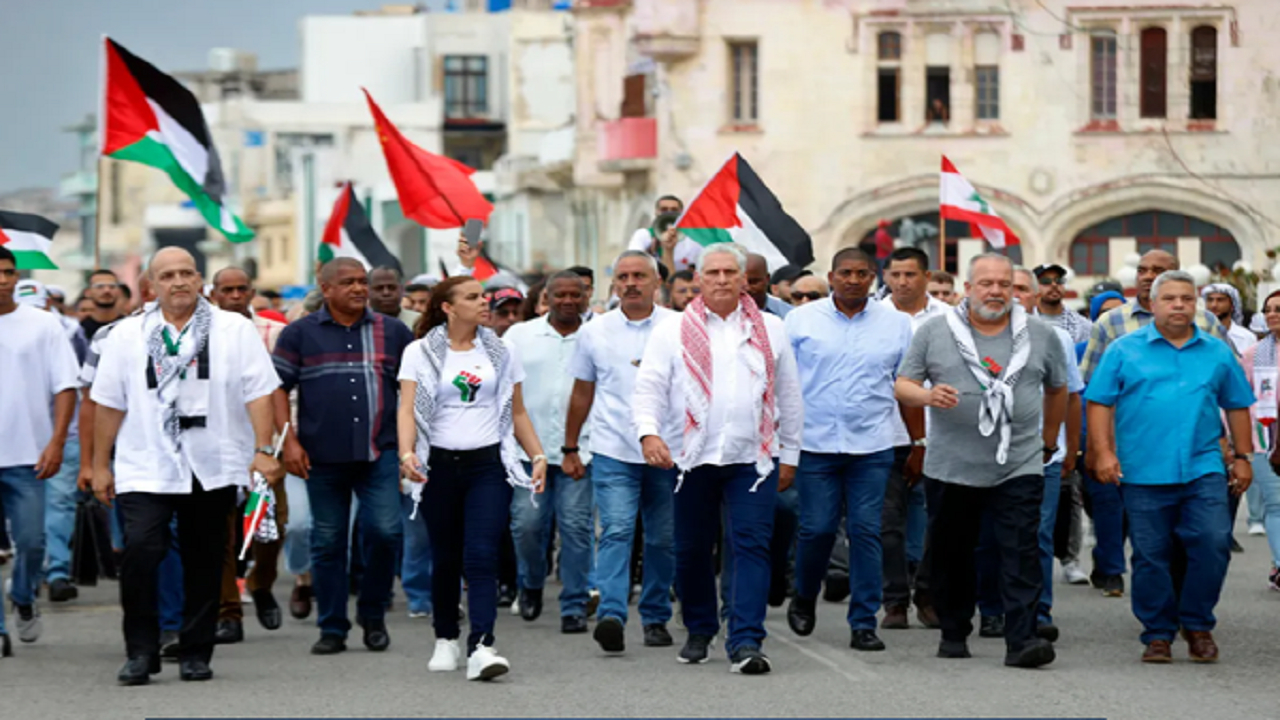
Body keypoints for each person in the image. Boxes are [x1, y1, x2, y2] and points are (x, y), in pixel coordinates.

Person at [89, 247, 282, 685]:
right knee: (141, 550)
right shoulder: (126, 335)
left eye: (186, 273)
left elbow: (259, 391)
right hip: (146, 460)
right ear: (151, 286)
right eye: (167, 275)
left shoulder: (234, 329)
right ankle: (141, 650)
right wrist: (100, 465)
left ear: (200, 281)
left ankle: (196, 651)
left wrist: (263, 448)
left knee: (205, 559)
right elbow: (107, 403)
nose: (178, 282)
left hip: (212, 459)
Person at [633, 243, 803, 675]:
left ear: (744, 279)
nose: (723, 279)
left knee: (751, 547)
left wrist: (791, 454)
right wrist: (648, 433)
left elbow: (789, 395)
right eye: (714, 273)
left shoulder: (770, 328)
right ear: (699, 279)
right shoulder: (672, 330)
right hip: (691, 458)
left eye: (731, 272)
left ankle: (746, 640)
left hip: (754, 457)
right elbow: (649, 386)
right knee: (691, 551)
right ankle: (700, 628)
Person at [895, 253, 1068, 669]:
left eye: (1004, 285)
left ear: (1015, 290)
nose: (995, 291)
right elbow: (903, 384)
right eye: (986, 283)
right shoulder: (936, 331)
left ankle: (1022, 639)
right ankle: (954, 630)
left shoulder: (1040, 335)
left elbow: (1058, 388)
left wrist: (1048, 441)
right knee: (953, 553)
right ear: (967, 289)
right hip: (952, 465)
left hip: (1019, 462)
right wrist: (927, 396)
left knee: (1020, 550)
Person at [1087, 269, 1254, 664]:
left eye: (1186, 299)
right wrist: (1103, 453)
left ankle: (1197, 624)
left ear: (1194, 305)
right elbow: (1099, 402)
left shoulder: (1215, 351)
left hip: (1203, 468)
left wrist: (1244, 457)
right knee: (1150, 553)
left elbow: (1237, 404)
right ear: (1153, 304)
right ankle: (1158, 633)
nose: (1179, 305)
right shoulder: (1124, 349)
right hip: (1142, 471)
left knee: (1213, 542)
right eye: (1170, 299)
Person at [396, 276, 547, 680]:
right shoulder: (419, 353)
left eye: (484, 295)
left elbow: (516, 411)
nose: (484, 302)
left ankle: (481, 644)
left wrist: (537, 454)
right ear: (447, 307)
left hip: (488, 466)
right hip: (437, 466)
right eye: (473, 297)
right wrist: (407, 453)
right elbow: (407, 409)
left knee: (481, 554)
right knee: (445, 556)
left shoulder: (501, 350)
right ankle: (445, 637)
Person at [271, 258, 414, 656]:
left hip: (379, 452)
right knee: (328, 540)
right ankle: (332, 626)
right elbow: (277, 388)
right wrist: (289, 443)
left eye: (361, 282)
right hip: (321, 456)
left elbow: (412, 392)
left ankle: (372, 614)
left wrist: (409, 447)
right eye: (347, 282)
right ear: (326, 288)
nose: (358, 288)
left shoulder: (394, 332)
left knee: (386, 532)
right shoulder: (299, 334)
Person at [784, 248, 913, 653]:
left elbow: (906, 383)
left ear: (874, 277)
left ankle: (863, 622)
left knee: (865, 531)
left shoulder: (896, 324)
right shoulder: (802, 320)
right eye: (845, 273)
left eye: (862, 273)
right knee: (817, 528)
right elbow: (783, 382)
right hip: (815, 443)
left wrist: (918, 439)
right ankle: (804, 595)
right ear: (831, 276)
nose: (854, 280)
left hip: (873, 443)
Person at [564, 251, 678, 654]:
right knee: (615, 530)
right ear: (614, 285)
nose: (631, 283)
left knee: (663, 539)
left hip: (669, 450)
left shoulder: (679, 326)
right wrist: (570, 446)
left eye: (639, 276)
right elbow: (582, 392)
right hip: (614, 448)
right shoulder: (595, 331)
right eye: (623, 276)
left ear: (656, 282)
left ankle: (655, 616)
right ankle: (612, 614)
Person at [502, 272, 595, 632]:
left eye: (576, 294)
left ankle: (573, 603)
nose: (568, 301)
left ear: (587, 297)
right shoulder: (520, 336)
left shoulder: (595, 336)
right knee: (526, 525)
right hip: (529, 452)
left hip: (581, 452)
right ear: (546, 298)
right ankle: (531, 583)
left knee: (575, 528)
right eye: (560, 295)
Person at [0, 249, 79, 657]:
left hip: (27, 455)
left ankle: (25, 594)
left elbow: (66, 386)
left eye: (9, 272)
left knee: (31, 541)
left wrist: (57, 440)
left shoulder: (43, 325)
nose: (3, 279)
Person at [209, 267, 291, 637]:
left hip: (266, 445)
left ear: (252, 291)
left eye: (242, 289)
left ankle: (260, 583)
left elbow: (281, 389)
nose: (236, 295)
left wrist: (284, 442)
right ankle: (228, 612)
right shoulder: (202, 333)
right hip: (218, 445)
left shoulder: (275, 333)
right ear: (214, 294)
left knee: (272, 528)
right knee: (221, 533)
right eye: (228, 289)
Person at [1010, 266, 1084, 641]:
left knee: (1037, 533)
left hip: (1043, 455)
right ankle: (993, 608)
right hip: (985, 455)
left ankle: (1038, 611)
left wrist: (1068, 447)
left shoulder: (1056, 338)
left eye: (1022, 289)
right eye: (1007, 287)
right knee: (993, 535)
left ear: (1035, 296)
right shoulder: (965, 336)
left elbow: (1070, 396)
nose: (1013, 295)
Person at [878, 247, 949, 630]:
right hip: (885, 434)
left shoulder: (949, 318)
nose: (903, 282)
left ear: (926, 276)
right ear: (886, 276)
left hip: (939, 434)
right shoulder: (875, 317)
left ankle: (927, 593)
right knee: (888, 524)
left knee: (933, 521)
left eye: (911, 275)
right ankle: (894, 600)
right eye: (896, 274)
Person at [15, 280, 88, 604]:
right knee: (27, 527)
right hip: (14, 447)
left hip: (60, 439)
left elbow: (76, 386)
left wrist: (65, 440)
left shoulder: (64, 332)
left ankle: (55, 572)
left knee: (55, 509)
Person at [1080, 250, 1229, 383]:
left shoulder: (1205, 321)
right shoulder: (1110, 322)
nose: (1148, 277)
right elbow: (1093, 380)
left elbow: (1227, 374)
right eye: (1141, 271)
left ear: (1175, 276)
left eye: (1158, 271)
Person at [1242, 289, 1280, 589]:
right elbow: (1242, 397)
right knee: (1276, 505)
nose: (1272, 314)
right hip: (1267, 440)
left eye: (1278, 309)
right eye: (1268, 309)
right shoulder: (1254, 353)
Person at [628, 195, 702, 275]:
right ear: (656, 212)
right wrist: (649, 252)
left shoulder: (692, 239)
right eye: (664, 209)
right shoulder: (644, 235)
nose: (669, 213)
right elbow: (632, 260)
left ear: (681, 213)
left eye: (674, 210)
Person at [1033, 264, 1092, 345]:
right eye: (1046, 281)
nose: (1054, 285)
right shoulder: (1023, 322)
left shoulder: (1082, 325)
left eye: (1058, 280)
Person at [1201, 283, 1256, 355]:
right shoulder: (1197, 334)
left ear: (1232, 305)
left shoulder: (1247, 338)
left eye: (1220, 300)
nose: (1214, 305)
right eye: (1210, 300)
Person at [369, 266, 421, 332]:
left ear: (402, 290)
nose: (386, 293)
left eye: (391, 287)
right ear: (368, 291)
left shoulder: (419, 322)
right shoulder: (358, 323)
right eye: (379, 288)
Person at [82, 268, 125, 341]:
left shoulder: (129, 327)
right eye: (100, 286)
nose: (107, 291)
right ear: (88, 292)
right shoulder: (80, 329)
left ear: (119, 291)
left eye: (112, 286)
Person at [745, 253, 791, 317]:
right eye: (741, 282)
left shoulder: (787, 313)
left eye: (754, 282)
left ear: (767, 279)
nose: (748, 288)